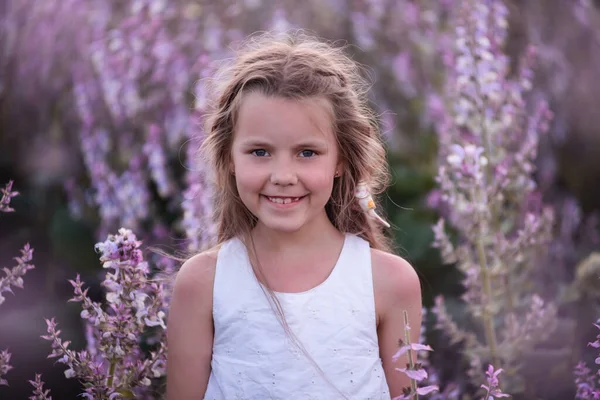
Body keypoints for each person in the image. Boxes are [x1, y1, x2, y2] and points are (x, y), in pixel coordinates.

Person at [166, 30, 422, 400]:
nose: (283, 176)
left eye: (307, 153)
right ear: (228, 160)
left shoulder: (390, 282)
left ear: (341, 161)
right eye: (259, 152)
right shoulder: (202, 283)